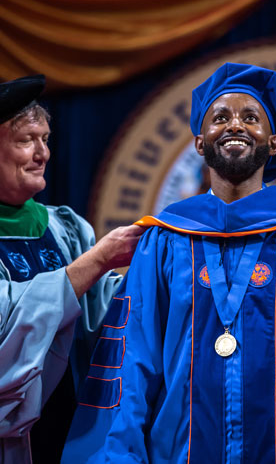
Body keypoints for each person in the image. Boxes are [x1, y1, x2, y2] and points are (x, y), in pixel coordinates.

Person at [62, 63, 276, 463]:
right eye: (220, 117)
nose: (234, 125)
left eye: (250, 118)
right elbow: (133, 364)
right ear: (200, 143)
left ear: (274, 143)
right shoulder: (164, 239)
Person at [0, 74, 145, 464]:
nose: (42, 153)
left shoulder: (65, 228)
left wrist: (154, 272)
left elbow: (98, 317)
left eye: (45, 139)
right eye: (25, 140)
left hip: (68, 430)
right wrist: (96, 260)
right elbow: (10, 323)